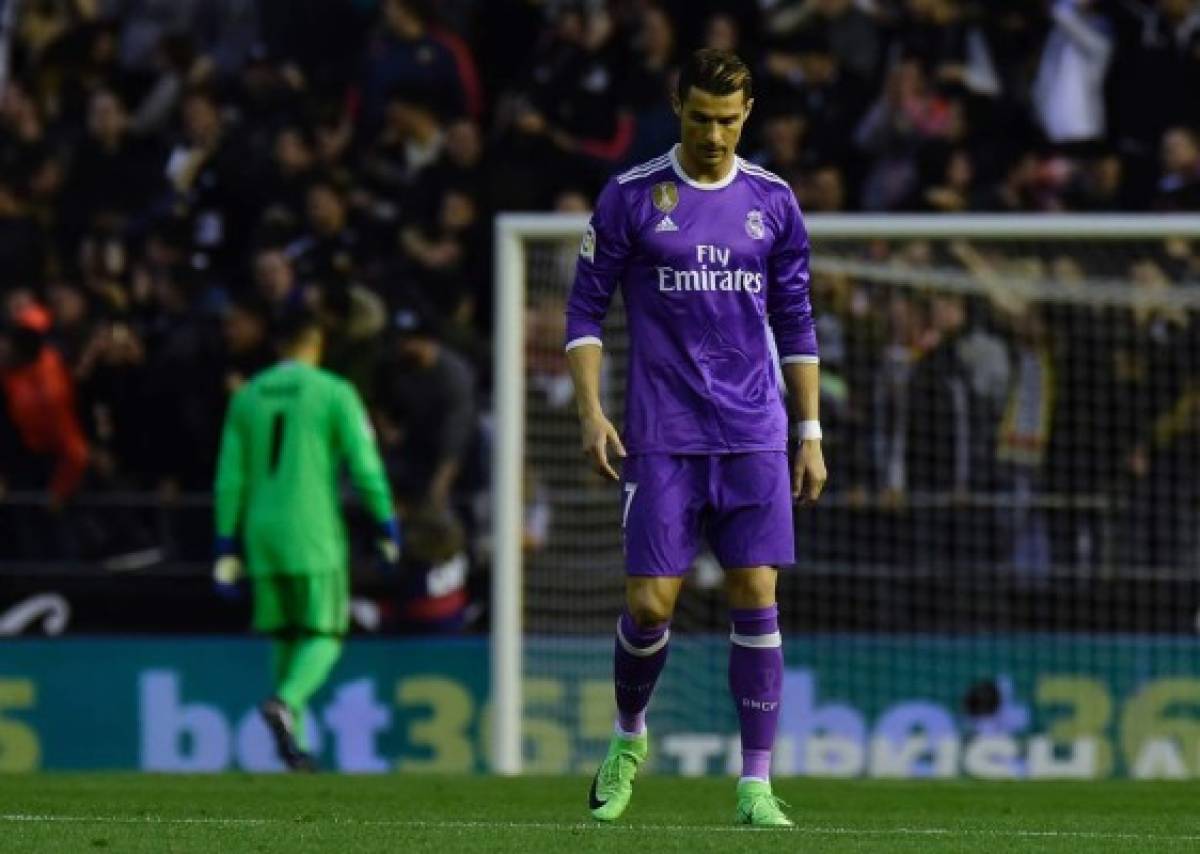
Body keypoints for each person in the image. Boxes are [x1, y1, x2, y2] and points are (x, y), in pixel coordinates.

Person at [565, 49, 825, 828]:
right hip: (663, 431)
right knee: (650, 605)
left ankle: (754, 786)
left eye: (728, 119)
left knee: (757, 593)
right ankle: (628, 738)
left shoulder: (774, 202)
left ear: (748, 115)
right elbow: (584, 312)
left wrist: (809, 431)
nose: (714, 134)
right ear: (677, 108)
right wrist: (589, 410)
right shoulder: (631, 197)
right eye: (700, 118)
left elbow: (797, 322)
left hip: (753, 430)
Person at [212, 308, 402, 771]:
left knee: (285, 633)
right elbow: (365, 464)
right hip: (312, 531)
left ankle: (290, 744)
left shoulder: (248, 396)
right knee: (326, 633)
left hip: (261, 533)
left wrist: (225, 543)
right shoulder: (334, 392)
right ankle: (286, 702)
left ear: (279, 346)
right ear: (316, 343)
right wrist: (386, 523)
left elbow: (229, 478)